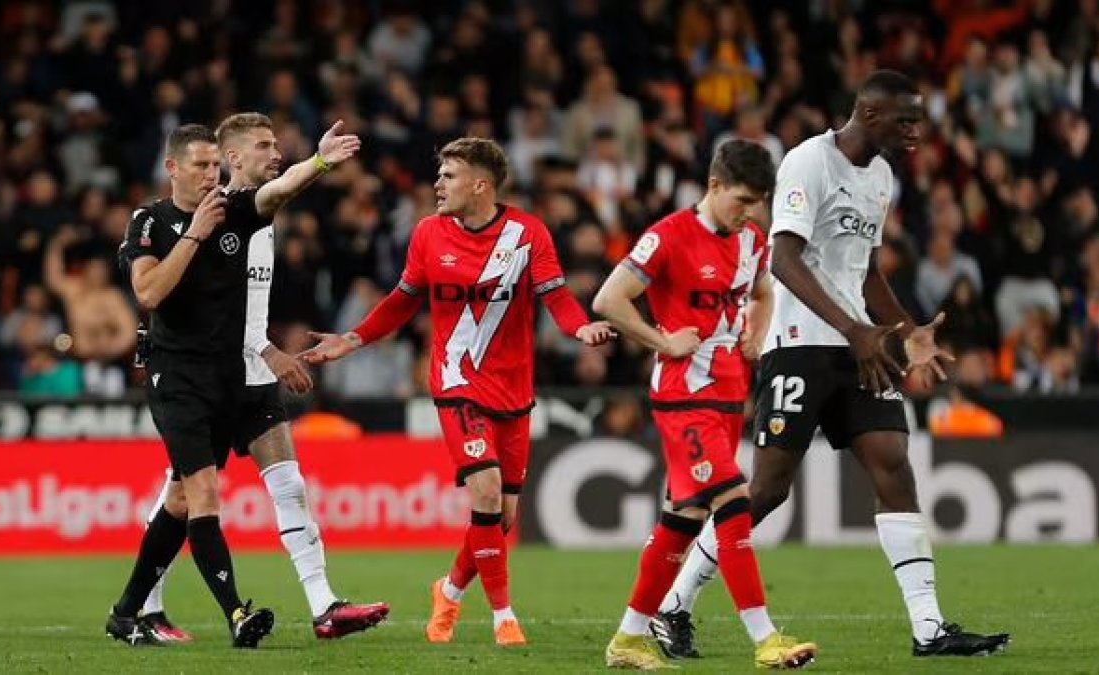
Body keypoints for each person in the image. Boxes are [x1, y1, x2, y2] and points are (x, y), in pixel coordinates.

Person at [652, 70, 1011, 660]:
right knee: (765, 492)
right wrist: (856, 330)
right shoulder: (807, 163)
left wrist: (903, 331)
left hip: (859, 348)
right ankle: (674, 605)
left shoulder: (882, 177)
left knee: (894, 465)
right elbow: (784, 259)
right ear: (870, 116)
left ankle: (929, 627)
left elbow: (865, 270)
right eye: (906, 119)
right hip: (798, 344)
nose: (916, 131)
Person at [302, 138, 614, 647]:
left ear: (480, 185)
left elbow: (556, 296)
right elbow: (403, 301)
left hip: (513, 389)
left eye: (449, 175)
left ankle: (448, 591)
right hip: (455, 381)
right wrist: (352, 339)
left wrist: (581, 331)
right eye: (439, 174)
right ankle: (503, 618)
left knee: (501, 517)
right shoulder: (428, 234)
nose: (437, 184)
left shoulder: (527, 234)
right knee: (486, 491)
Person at [131, 113, 389, 643]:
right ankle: (146, 604)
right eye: (265, 145)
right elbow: (200, 309)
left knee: (286, 484)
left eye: (277, 145)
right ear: (233, 159)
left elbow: (249, 301)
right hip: (209, 371)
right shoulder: (205, 217)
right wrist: (268, 350)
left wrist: (317, 163)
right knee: (183, 495)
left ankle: (324, 606)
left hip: (250, 372)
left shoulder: (259, 217)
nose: (276, 152)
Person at [593, 140, 817, 670]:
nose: (749, 212)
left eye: (758, 202)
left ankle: (627, 639)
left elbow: (764, 293)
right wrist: (661, 340)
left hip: (727, 395)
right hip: (682, 396)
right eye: (741, 199)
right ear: (713, 186)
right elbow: (608, 299)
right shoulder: (667, 237)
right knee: (734, 503)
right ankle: (766, 640)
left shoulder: (752, 241)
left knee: (682, 520)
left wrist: (756, 337)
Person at [107, 124, 273, 648]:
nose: (211, 175)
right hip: (173, 375)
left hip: (222, 378)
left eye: (214, 166)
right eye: (200, 166)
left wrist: (319, 164)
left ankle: (126, 612)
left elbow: (276, 192)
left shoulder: (233, 211)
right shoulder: (149, 220)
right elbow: (150, 292)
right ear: (173, 168)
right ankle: (238, 614)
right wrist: (195, 233)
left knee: (180, 499)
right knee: (203, 492)